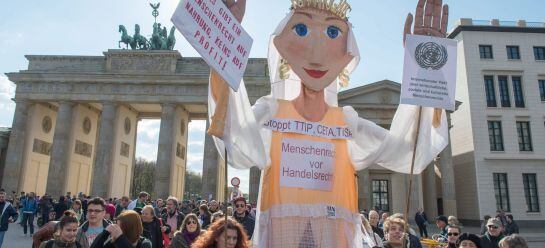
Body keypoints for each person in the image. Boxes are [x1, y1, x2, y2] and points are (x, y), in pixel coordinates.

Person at [193, 0, 450, 245]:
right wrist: (224, 40)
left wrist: (425, 68)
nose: (317, 56)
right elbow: (234, 140)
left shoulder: (346, 122)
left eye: (332, 32)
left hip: (334, 235)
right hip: (282, 235)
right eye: (302, 29)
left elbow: (407, 151)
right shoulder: (272, 113)